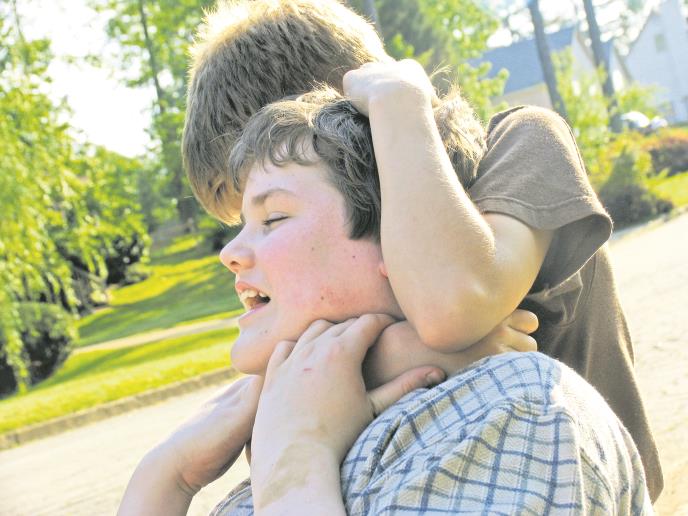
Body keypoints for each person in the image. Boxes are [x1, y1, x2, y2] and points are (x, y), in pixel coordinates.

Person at [181, 0, 662, 499]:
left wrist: (397, 102)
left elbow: (452, 304)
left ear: (351, 117)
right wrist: (399, 354)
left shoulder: (516, 148)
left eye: (276, 213)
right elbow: (291, 401)